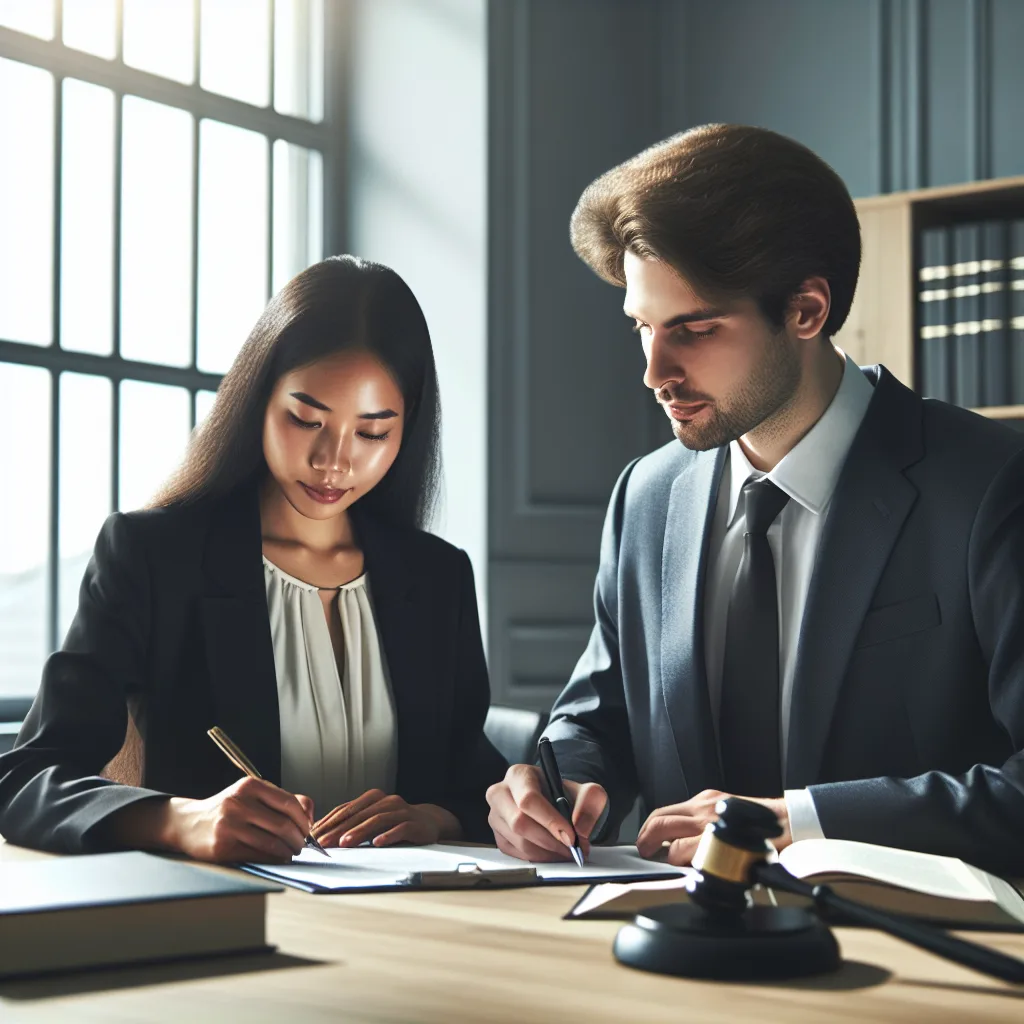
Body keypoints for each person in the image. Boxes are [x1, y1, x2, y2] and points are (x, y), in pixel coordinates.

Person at [485, 124, 1024, 877]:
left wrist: (801, 821)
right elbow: (598, 713)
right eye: (642, 327)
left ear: (806, 311)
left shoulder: (991, 484)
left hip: (917, 966)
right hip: (670, 951)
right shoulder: (647, 495)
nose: (654, 371)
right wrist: (556, 781)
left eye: (693, 329)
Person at [0, 255, 506, 862]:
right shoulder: (155, 556)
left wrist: (438, 817)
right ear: (255, 401)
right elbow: (26, 779)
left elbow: (478, 781)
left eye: (373, 433)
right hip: (222, 917)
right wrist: (178, 820)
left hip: (415, 924)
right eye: (305, 419)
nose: (334, 461)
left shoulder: (437, 577)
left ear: (410, 428)